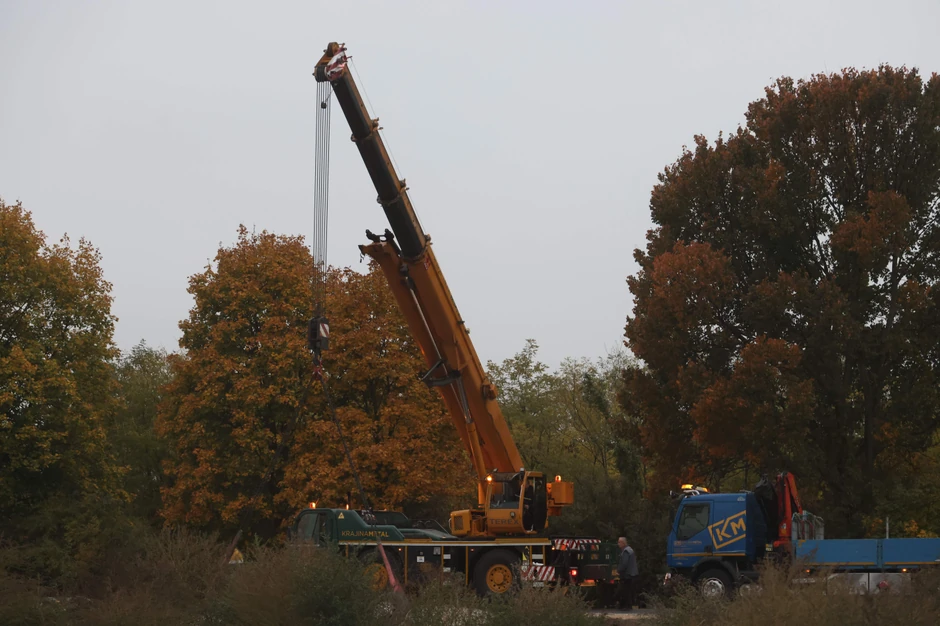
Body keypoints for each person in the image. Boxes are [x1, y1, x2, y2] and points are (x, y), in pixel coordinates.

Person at [616, 536, 638, 610]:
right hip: (632, 574)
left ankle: (625, 606)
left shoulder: (625, 551)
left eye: (619, 542)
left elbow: (624, 564)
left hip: (627, 574)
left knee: (624, 590)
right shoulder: (630, 550)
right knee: (628, 590)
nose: (618, 544)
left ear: (623, 543)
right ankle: (628, 605)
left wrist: (618, 570)